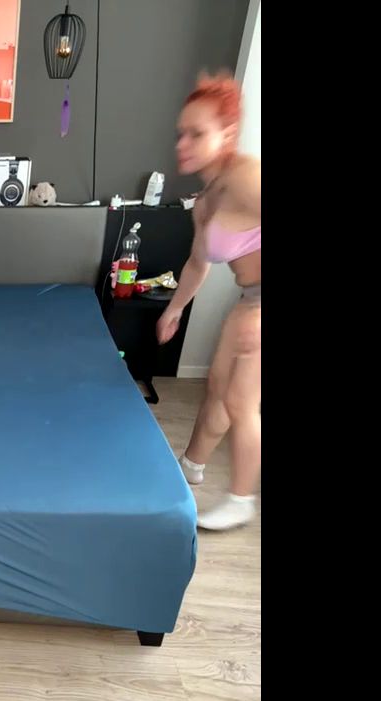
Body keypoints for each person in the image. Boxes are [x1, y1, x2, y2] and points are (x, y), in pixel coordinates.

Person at [157, 73, 260, 531]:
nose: (183, 144)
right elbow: (199, 263)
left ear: (227, 133)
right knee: (216, 387)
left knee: (240, 400)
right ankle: (192, 466)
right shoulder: (205, 201)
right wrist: (175, 308)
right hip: (249, 297)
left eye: (196, 134)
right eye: (181, 133)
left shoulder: (247, 179)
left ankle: (241, 499)